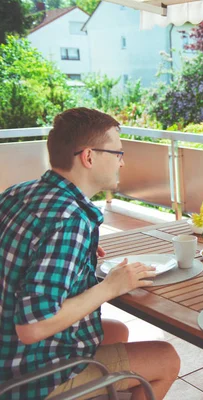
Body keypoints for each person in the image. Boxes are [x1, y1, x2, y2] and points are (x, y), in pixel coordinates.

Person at [0, 108, 180, 400]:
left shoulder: (19, 193)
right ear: (89, 157)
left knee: (117, 330)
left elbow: (21, 254)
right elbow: (32, 328)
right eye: (118, 153)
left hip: (6, 349)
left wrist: (72, 253)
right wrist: (112, 287)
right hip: (28, 375)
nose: (122, 162)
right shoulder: (68, 219)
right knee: (166, 357)